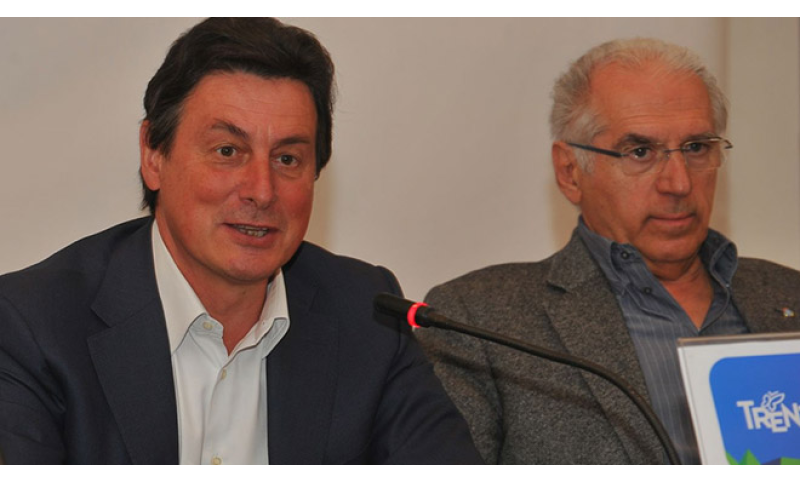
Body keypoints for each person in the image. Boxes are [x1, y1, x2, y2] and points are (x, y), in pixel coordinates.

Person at [0, 18, 481, 465]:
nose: (262, 191)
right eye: (228, 151)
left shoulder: (365, 314)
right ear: (153, 155)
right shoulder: (31, 325)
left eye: (287, 159)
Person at [416, 38, 800, 464]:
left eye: (696, 148)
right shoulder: (476, 322)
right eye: (640, 152)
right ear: (570, 172)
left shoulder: (788, 293)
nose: (679, 183)